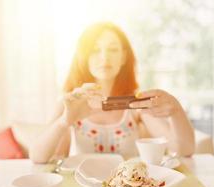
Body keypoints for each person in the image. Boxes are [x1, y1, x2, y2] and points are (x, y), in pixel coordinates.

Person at [30, 22, 195, 163]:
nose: (104, 57)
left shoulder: (137, 103)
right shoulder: (70, 103)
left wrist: (176, 110)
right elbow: (38, 158)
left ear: (123, 57)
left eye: (113, 49)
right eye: (95, 50)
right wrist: (64, 122)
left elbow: (183, 150)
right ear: (84, 57)